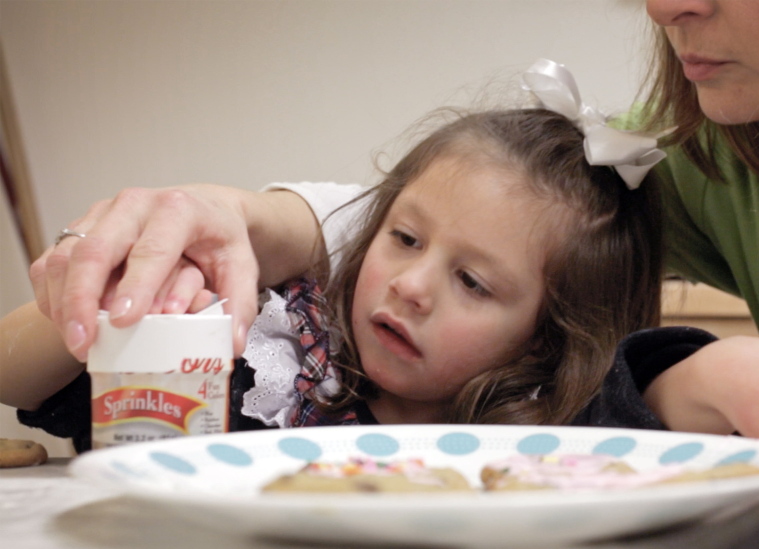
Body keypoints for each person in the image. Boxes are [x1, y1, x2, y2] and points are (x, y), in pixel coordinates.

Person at [22, 1, 759, 456]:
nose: (665, 6)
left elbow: (622, 369)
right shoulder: (731, 160)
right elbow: (494, 219)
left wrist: (695, 379)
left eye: (472, 288)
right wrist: (241, 217)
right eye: (403, 245)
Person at [4, 70, 712, 450]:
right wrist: (97, 305)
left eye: (471, 281)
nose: (409, 286)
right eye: (404, 238)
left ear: (550, 336)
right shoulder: (275, 356)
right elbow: (18, 378)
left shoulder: (544, 447)